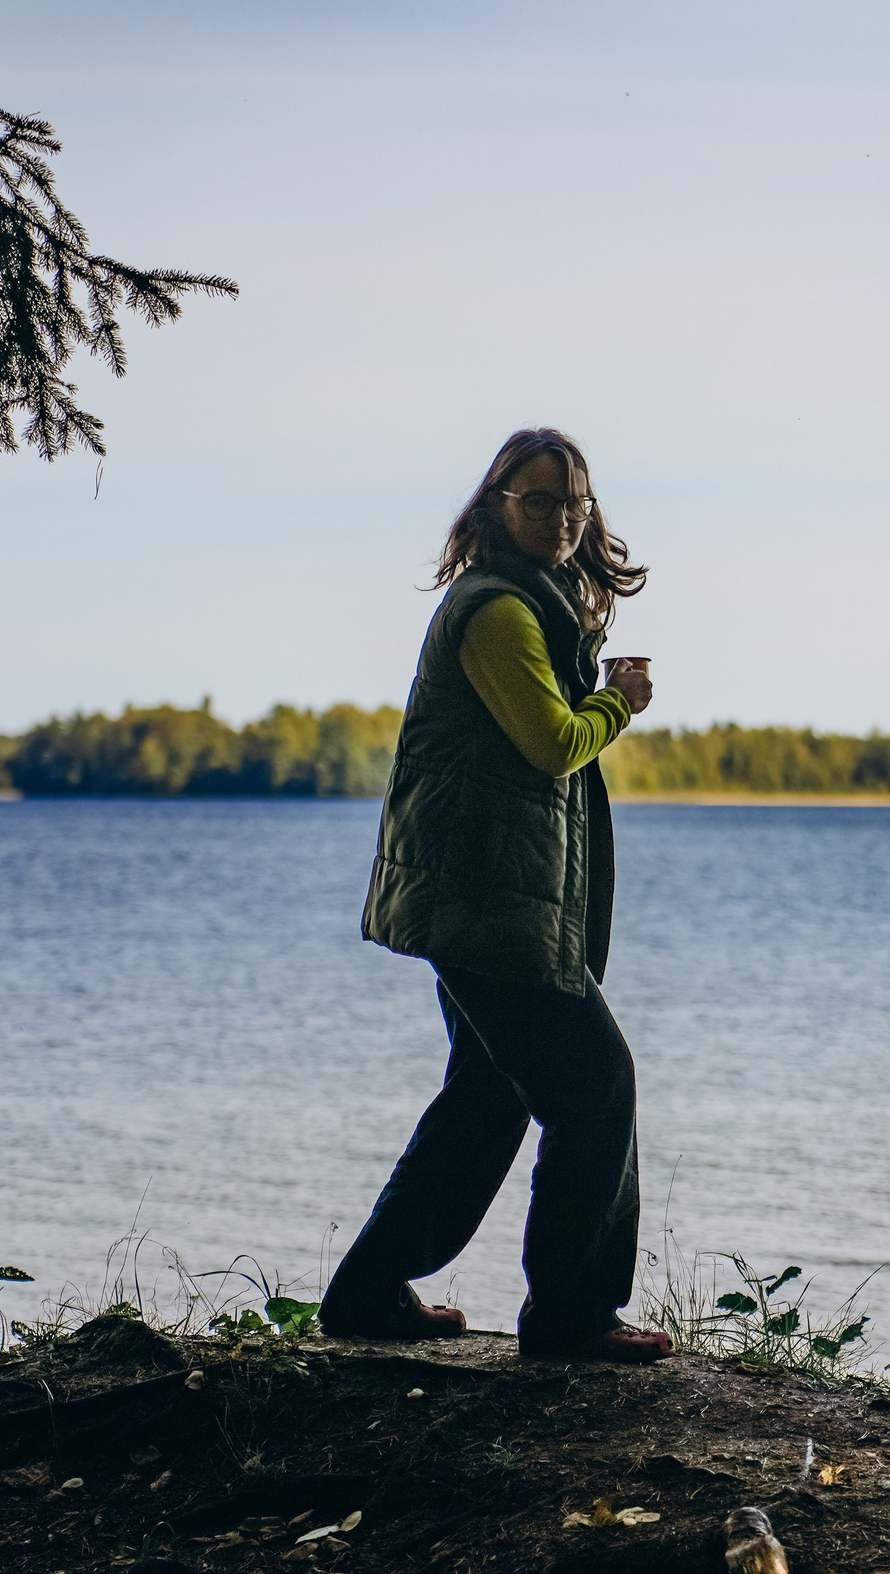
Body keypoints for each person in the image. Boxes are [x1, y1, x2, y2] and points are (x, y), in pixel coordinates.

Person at [322, 427, 672, 1363]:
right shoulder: (497, 614)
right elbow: (552, 743)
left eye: (575, 504)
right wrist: (618, 706)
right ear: (494, 507)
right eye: (540, 500)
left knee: (485, 1098)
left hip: (489, 901)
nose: (561, 519)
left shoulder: (538, 605)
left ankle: (364, 1294)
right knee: (597, 1085)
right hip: (486, 907)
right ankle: (569, 1313)